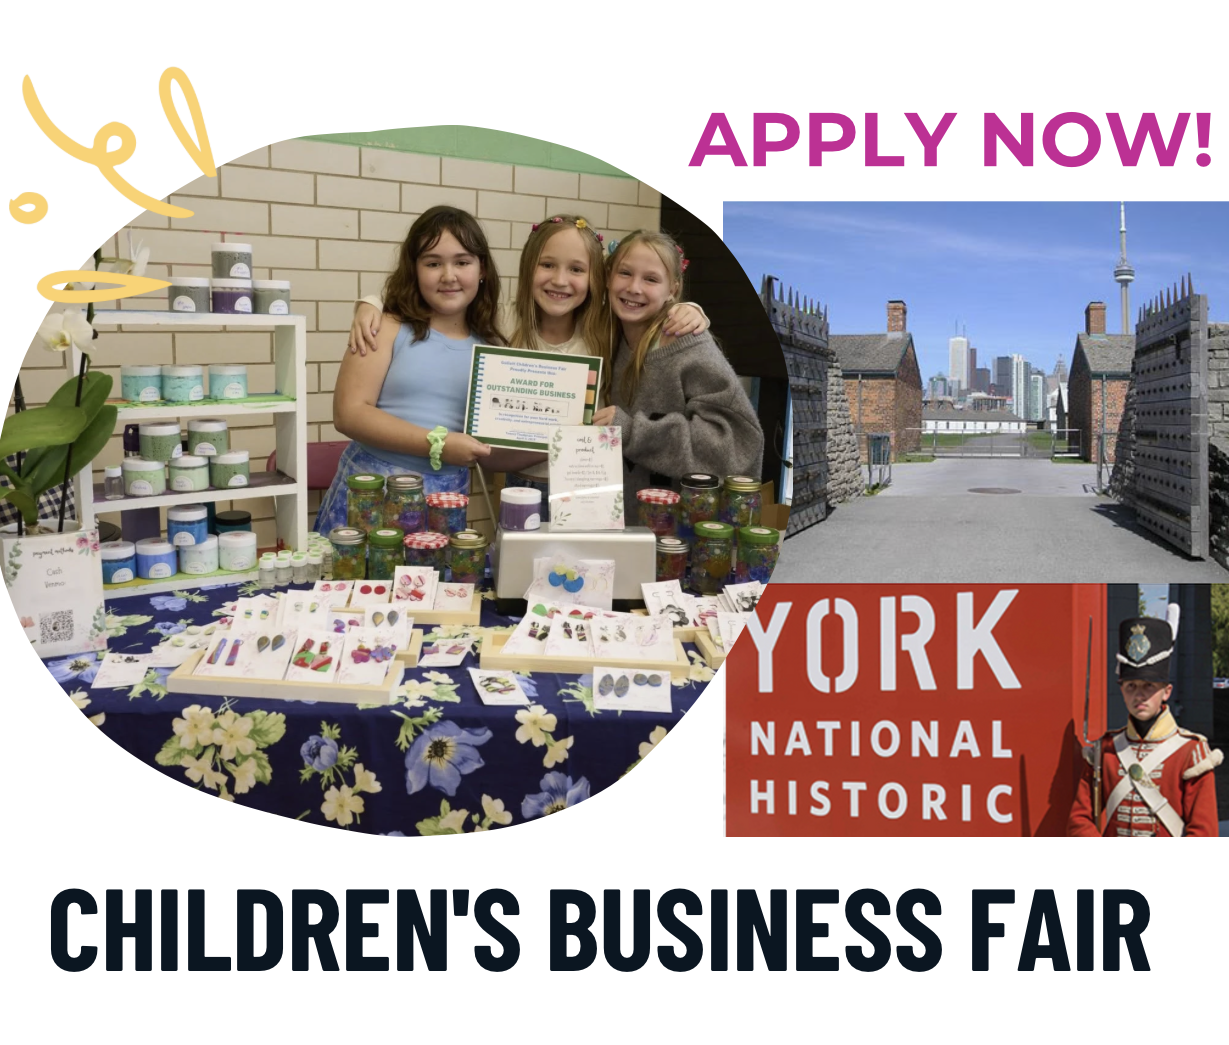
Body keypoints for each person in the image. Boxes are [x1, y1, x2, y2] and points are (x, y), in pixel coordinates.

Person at [345, 214, 709, 496]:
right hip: (522, 484)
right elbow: (443, 309)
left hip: (590, 488)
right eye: (548, 265)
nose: (560, 280)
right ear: (528, 268)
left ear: (595, 277)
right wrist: (371, 303)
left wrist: (689, 308)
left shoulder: (606, 329)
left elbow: (644, 304)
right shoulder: (500, 329)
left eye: (577, 269)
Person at [317, 206, 521, 534]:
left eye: (462, 262)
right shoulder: (384, 327)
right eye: (433, 263)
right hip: (372, 492)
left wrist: (560, 435)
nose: (449, 275)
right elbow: (348, 413)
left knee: (431, 585)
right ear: (414, 269)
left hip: (444, 499)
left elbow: (488, 448)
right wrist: (437, 444)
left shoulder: (492, 349)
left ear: (482, 269)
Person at [590, 230, 764, 517]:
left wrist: (633, 432)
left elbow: (737, 443)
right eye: (625, 273)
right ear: (609, 277)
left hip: (684, 533)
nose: (634, 287)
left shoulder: (686, 341)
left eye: (651, 279)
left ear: (673, 288)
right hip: (629, 526)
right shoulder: (609, 334)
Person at [1067, 612, 1222, 836]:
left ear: (1166, 692)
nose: (1139, 695)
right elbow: (1078, 820)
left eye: (1148, 686)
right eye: (1131, 686)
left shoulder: (1191, 752)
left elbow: (1204, 833)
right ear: (1121, 690)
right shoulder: (1105, 749)